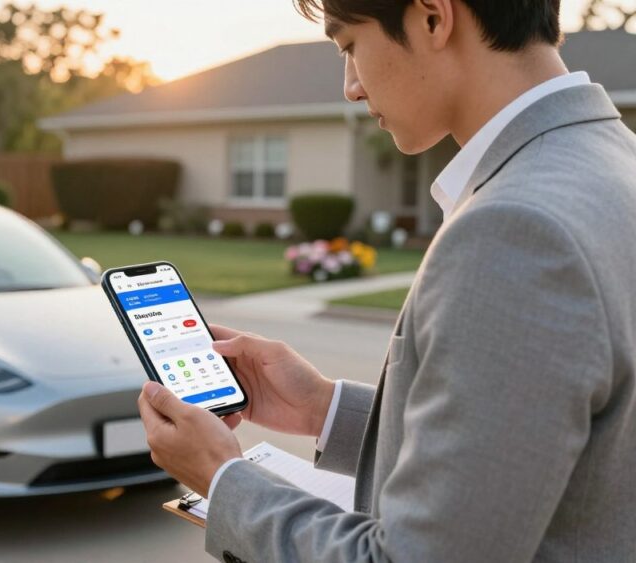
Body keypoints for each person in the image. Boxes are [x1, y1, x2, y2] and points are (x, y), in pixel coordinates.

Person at [136, 0, 636, 561]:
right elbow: (528, 445)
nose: (350, 86)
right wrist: (322, 409)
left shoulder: (513, 230)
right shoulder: (611, 162)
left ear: (432, 17)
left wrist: (221, 477)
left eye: (349, 45)